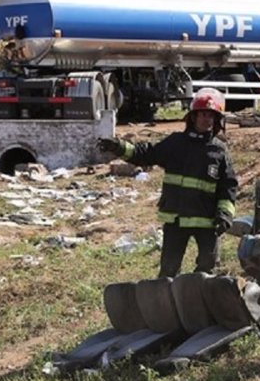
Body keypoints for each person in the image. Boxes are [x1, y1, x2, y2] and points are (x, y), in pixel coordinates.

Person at [98, 88, 238, 278]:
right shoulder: (176, 143)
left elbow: (228, 186)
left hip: (207, 221)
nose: (208, 120)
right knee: (168, 271)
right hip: (176, 219)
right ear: (193, 117)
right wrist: (119, 147)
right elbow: (146, 153)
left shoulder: (219, 152)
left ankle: (196, 301)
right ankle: (166, 304)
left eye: (212, 116)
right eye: (204, 114)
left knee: (208, 268)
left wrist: (225, 215)